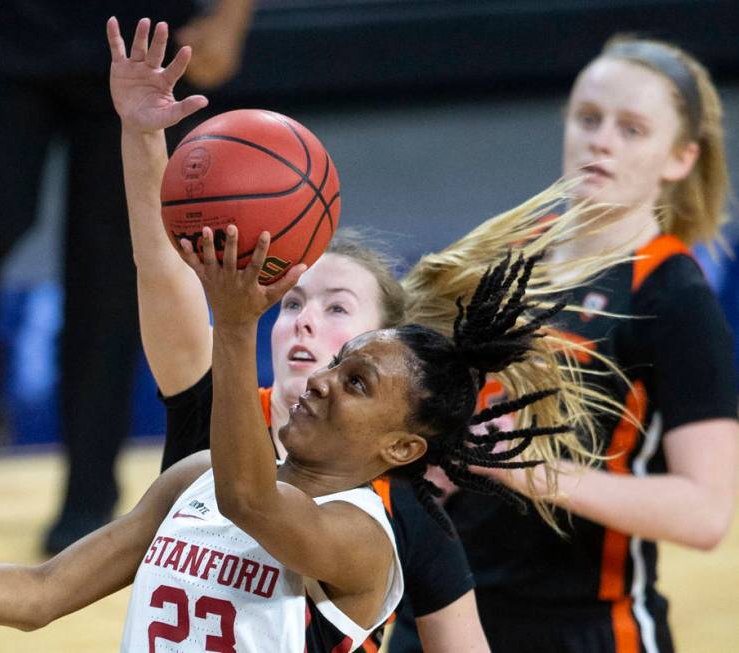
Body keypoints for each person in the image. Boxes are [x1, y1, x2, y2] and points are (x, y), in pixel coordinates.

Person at [0, 229, 576, 653]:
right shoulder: (195, 473)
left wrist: (234, 327)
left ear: (401, 449)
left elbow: (253, 497)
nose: (326, 377)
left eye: (358, 381)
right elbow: (40, 593)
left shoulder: (366, 537)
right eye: (336, 363)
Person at [111, 17, 616, 651]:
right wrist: (141, 133)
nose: (305, 318)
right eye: (290, 300)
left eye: (337, 309)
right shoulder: (209, 418)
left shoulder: (404, 508)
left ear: (383, 347)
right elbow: (161, 265)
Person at [0, 0, 254, 553]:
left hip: (143, 41)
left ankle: (88, 489)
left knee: (109, 280)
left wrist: (230, 20)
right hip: (16, 38)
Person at [437, 37, 739, 653]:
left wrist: (533, 472)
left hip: (585, 627)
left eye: (632, 129)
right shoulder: (505, 251)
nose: (601, 140)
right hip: (444, 611)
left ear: (679, 159)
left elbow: (705, 515)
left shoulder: (672, 294)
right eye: (589, 119)